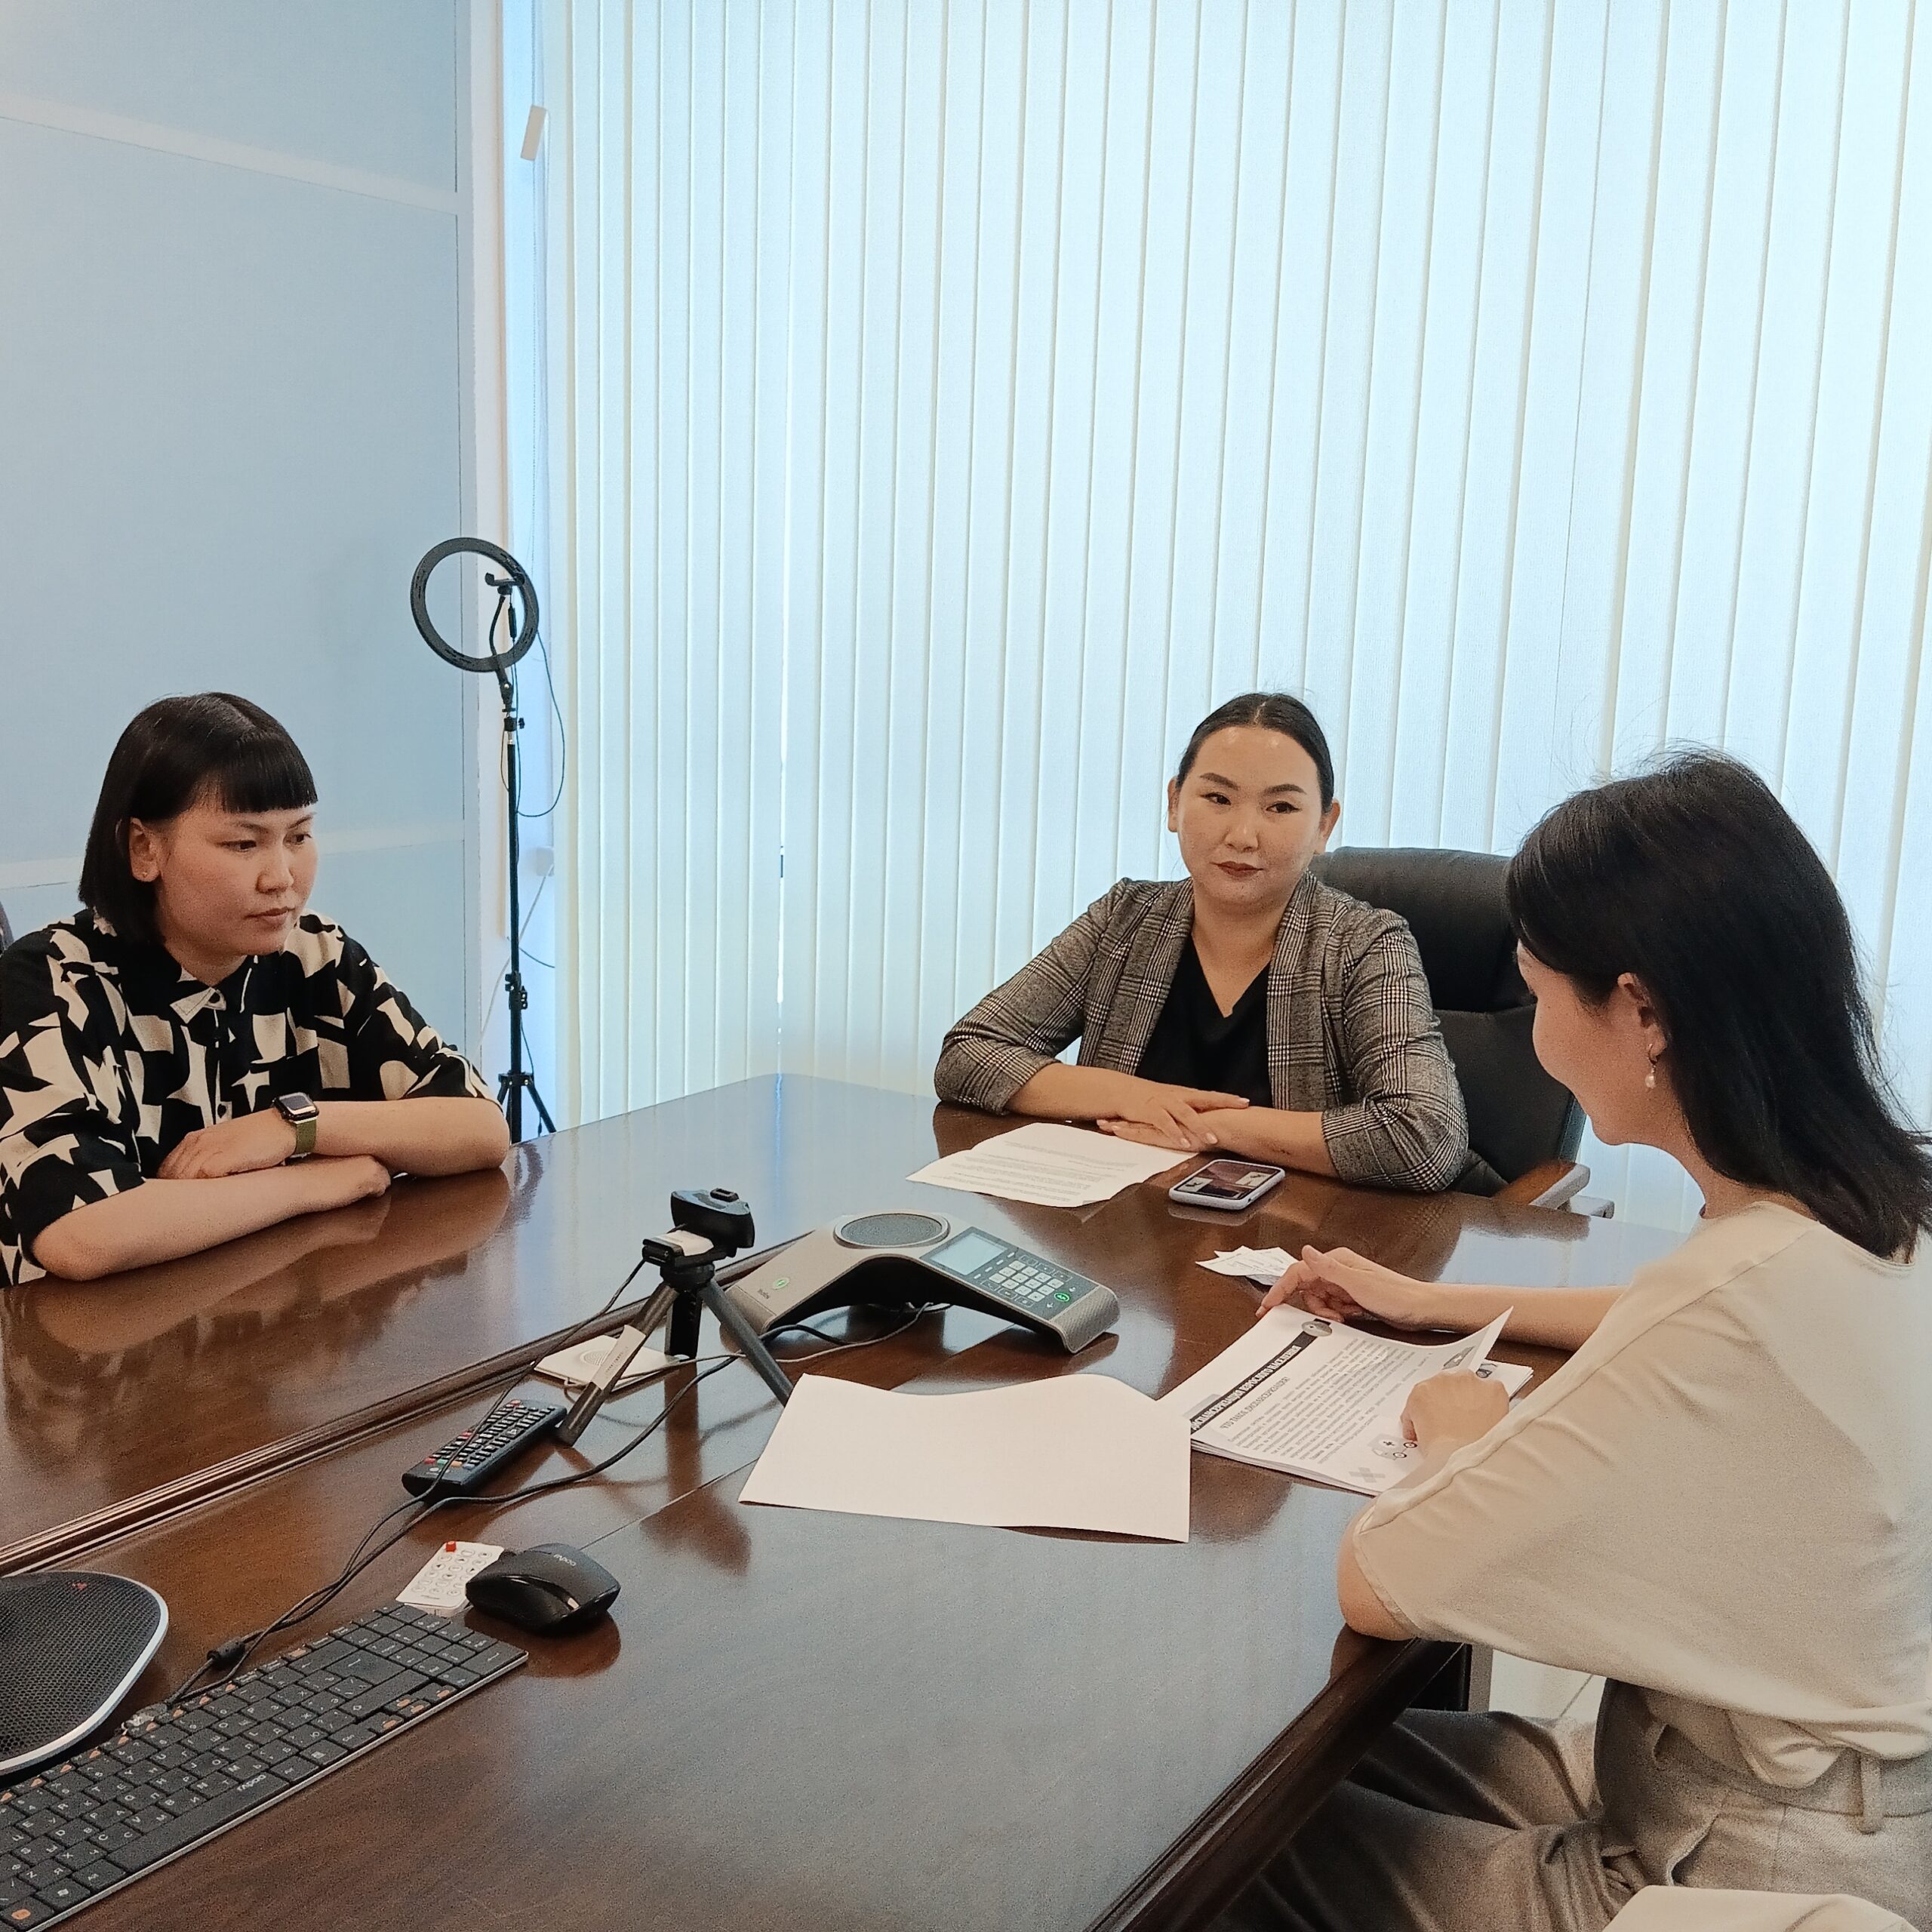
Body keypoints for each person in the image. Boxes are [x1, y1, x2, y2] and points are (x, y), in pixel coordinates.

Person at [1219, 752, 1932, 1931]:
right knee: (1257, 1752)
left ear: (1642, 1013)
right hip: (1788, 1789)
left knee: (1231, 1846)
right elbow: (1687, 1314)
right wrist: (1435, 1302)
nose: (1533, 1027)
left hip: (1738, 1876)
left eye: (1540, 990)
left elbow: (1380, 1581)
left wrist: (1461, 1432)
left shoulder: (1733, 1299)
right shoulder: (1874, 1211)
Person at [0, 694, 511, 1286]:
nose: (282, 878)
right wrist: (314, 1180)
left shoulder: (313, 955)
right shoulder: (52, 979)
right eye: (244, 844)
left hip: (272, 1321)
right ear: (144, 849)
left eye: (299, 836)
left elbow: (479, 1128)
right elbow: (81, 1233)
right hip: (100, 1337)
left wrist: (292, 1127)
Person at [934, 692, 1469, 1192]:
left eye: (1281, 808)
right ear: (1174, 803)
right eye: (1218, 798)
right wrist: (1138, 1098)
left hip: (1292, 1240)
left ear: (1324, 825)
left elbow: (1426, 1137)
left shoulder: (1364, 944)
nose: (1243, 836)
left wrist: (1210, 1128)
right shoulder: (1124, 919)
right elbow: (968, 1054)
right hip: (1116, 1227)